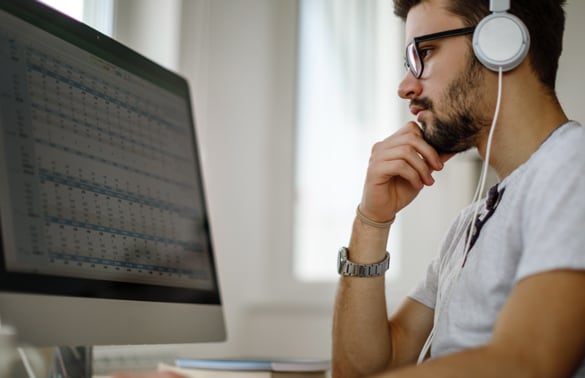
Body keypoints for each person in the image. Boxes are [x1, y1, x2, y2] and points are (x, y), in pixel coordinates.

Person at [332, 0, 585, 377]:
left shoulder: (573, 165)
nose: (405, 87)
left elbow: (528, 363)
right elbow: (361, 370)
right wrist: (371, 221)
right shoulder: (471, 222)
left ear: (500, 42)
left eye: (426, 52)